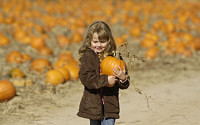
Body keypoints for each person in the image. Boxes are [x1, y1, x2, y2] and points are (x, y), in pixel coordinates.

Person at [77, 21, 130, 125]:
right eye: (95, 42)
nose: (99, 45)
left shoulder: (115, 57)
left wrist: (123, 78)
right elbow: (86, 78)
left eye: (102, 41)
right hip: (93, 105)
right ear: (89, 41)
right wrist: (106, 80)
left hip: (110, 105)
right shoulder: (88, 57)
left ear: (109, 41)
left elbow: (124, 85)